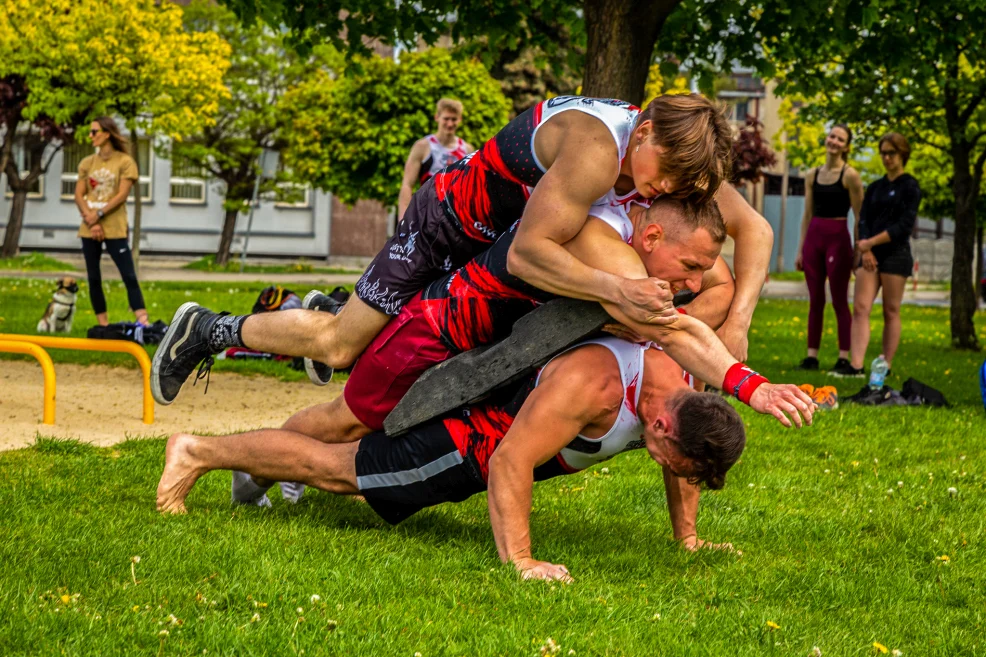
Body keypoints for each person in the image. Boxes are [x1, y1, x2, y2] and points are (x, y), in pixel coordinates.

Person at [151, 95, 762, 406]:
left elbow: (752, 229)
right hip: (444, 224)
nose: (661, 192)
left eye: (677, 187)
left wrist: (737, 322)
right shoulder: (599, 150)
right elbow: (528, 255)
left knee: (413, 351)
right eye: (664, 176)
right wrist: (613, 288)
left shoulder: (661, 153)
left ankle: (338, 306)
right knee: (339, 345)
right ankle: (206, 328)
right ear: (647, 129)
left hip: (483, 246)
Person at [156, 336, 748, 583]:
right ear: (664, 427)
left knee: (342, 448)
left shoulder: (682, 385)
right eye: (675, 461)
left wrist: (689, 539)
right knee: (338, 470)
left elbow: (685, 468)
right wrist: (522, 560)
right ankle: (197, 452)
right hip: (468, 444)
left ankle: (254, 472)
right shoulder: (594, 386)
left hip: (485, 426)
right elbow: (511, 462)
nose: (673, 474)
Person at [840, 133, 922, 378]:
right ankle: (856, 366)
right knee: (861, 307)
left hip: (896, 255)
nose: (887, 158)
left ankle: (885, 365)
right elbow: (863, 218)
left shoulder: (910, 186)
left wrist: (869, 244)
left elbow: (904, 225)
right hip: (869, 255)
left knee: (890, 310)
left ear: (902, 155)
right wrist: (866, 249)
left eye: (891, 153)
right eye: (883, 153)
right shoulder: (875, 187)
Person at [794, 124, 864, 374]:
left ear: (846, 146)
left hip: (838, 239)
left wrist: (858, 250)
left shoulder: (850, 175)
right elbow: (807, 213)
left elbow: (859, 215)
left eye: (840, 139)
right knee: (815, 300)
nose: (833, 141)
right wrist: (801, 249)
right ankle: (811, 356)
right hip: (814, 238)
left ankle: (844, 356)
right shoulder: (812, 175)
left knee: (839, 300)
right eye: (832, 136)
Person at [74, 117, 148, 327]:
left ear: (107, 134)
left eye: (94, 131)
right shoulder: (87, 163)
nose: (91, 136)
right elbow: (79, 195)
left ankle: (144, 323)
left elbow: (121, 195)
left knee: (128, 275)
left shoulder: (125, 162)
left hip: (115, 227)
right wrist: (92, 221)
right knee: (93, 277)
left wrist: (98, 215)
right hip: (89, 228)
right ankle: (103, 326)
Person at [397, 98, 472, 221]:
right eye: (446, 119)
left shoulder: (467, 150)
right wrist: (403, 220)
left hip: (453, 220)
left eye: (454, 119)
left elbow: (469, 190)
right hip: (425, 215)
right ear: (437, 117)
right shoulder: (423, 146)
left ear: (460, 120)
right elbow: (407, 184)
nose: (450, 124)